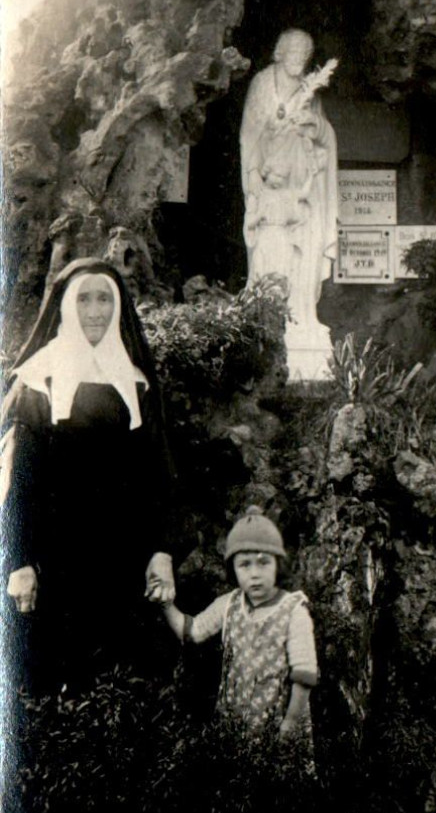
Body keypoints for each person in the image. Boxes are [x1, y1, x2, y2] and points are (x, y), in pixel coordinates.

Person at [2, 258, 178, 693]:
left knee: (121, 678)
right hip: (54, 559)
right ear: (64, 306)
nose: (95, 310)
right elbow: (18, 483)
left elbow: (157, 475)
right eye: (84, 299)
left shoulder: (135, 384)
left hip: (123, 560)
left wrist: (161, 550)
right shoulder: (37, 380)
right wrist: (19, 561)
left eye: (104, 299)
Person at [161, 505, 318, 769]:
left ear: (278, 564)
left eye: (263, 562)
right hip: (235, 723)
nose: (254, 573)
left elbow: (304, 676)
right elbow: (192, 631)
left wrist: (290, 725)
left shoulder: (293, 611)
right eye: (244, 565)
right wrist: (166, 605)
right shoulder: (230, 604)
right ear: (233, 569)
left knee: (279, 792)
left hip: (279, 726)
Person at [239, 29, 337, 348]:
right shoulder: (263, 85)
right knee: (269, 262)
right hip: (269, 186)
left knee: (304, 257)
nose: (298, 59)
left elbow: (325, 137)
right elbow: (250, 135)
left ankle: (303, 317)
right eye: (292, 52)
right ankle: (267, 322)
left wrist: (313, 125)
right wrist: (254, 176)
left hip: (303, 194)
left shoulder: (312, 94)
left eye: (304, 54)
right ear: (280, 53)